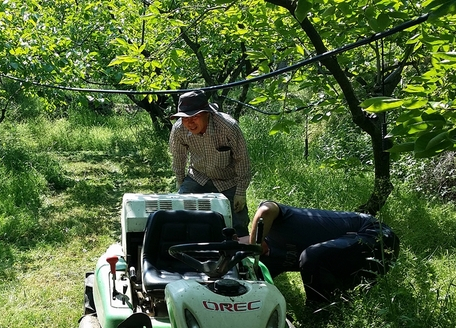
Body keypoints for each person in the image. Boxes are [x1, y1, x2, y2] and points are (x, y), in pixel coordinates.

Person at [244, 201, 400, 304]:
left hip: (377, 234)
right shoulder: (267, 263)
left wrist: (254, 244)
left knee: (310, 256)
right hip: (357, 260)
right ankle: (335, 306)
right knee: (316, 262)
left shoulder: (274, 225)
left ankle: (319, 311)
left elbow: (266, 209)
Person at [169, 90, 251, 236]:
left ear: (207, 113)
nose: (190, 122)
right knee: (179, 213)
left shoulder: (228, 127)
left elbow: (242, 159)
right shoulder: (179, 129)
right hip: (197, 177)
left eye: (195, 117)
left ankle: (241, 255)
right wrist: (180, 181)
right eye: (185, 118)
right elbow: (178, 157)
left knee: (238, 223)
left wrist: (240, 192)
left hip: (228, 181)